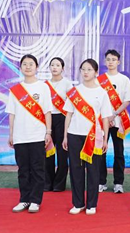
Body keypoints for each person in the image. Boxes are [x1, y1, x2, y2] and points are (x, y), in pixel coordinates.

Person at [63, 59, 113, 215]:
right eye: (83, 69)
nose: (85, 72)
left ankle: (92, 204)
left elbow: (105, 118)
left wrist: (105, 139)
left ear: (96, 72)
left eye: (89, 69)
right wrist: (65, 136)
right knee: (76, 170)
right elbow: (68, 114)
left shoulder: (102, 93)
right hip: (74, 134)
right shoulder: (74, 92)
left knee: (93, 171)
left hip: (94, 136)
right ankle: (78, 203)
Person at [6, 55, 53, 213]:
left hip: (37, 135)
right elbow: (12, 114)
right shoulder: (15, 90)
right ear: (20, 68)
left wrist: (48, 132)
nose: (28, 67)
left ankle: (35, 200)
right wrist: (11, 134)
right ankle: (24, 199)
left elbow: (47, 112)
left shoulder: (43, 87)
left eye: (31, 64)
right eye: (24, 64)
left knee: (38, 169)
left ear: (36, 67)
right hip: (20, 136)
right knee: (23, 170)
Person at [98, 49, 130, 194]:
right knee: (101, 151)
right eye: (108, 59)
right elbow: (97, 100)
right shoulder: (99, 80)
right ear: (105, 61)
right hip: (103, 121)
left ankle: (118, 183)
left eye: (113, 59)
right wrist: (107, 116)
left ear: (118, 62)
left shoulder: (124, 79)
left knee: (119, 152)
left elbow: (128, 99)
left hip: (119, 120)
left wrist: (114, 114)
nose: (111, 62)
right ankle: (101, 182)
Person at [44, 57, 73, 192]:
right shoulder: (44, 85)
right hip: (48, 119)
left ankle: (59, 184)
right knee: (48, 151)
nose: (54, 67)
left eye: (57, 65)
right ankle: (47, 182)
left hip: (62, 118)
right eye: (52, 65)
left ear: (62, 68)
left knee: (62, 153)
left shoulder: (67, 84)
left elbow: (71, 104)